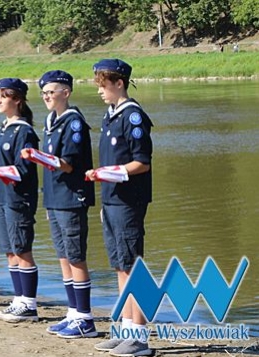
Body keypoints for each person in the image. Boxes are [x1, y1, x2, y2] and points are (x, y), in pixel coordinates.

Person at [86, 59, 153, 357]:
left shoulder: (133, 116)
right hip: (112, 200)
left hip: (129, 201)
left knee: (133, 266)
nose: (100, 90)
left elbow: (142, 162)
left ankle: (140, 338)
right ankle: (125, 330)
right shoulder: (109, 115)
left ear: (119, 83)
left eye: (103, 84)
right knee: (119, 265)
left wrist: (110, 173)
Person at [26, 70, 97, 337]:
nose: (45, 96)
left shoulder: (73, 122)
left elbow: (68, 165)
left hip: (71, 197)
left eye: (50, 92)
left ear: (65, 93)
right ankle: (73, 312)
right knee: (63, 257)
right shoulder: (50, 120)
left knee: (76, 256)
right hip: (55, 197)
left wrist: (39, 157)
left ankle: (85, 318)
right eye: (43, 92)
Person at [0, 79, 40, 321]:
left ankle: (29, 304)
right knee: (9, 250)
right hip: (0, 197)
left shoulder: (24, 131)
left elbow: (24, 169)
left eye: (3, 96)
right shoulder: (3, 128)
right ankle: (18, 299)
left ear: (17, 100)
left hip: (18, 198)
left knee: (22, 249)